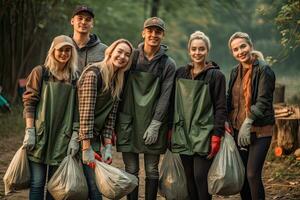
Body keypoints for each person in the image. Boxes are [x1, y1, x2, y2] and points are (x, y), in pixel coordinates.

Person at [116, 17, 176, 200]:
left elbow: (166, 96)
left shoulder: (168, 64)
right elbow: (117, 86)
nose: (153, 35)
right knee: (131, 169)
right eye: (150, 30)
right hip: (129, 120)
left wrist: (156, 122)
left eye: (158, 31)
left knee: (151, 168)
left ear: (163, 35)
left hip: (153, 122)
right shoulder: (130, 57)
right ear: (143, 33)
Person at [170, 31, 227, 200]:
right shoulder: (180, 73)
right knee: (188, 178)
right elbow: (174, 103)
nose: (197, 52)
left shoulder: (216, 75)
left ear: (207, 51)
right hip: (182, 132)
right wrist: (169, 130)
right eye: (194, 49)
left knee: (200, 177)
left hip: (205, 133)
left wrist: (217, 135)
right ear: (189, 51)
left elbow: (221, 107)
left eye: (201, 49)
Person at [22, 35, 79, 200]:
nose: (64, 53)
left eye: (68, 50)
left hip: (63, 136)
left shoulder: (75, 77)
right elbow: (29, 102)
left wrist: (75, 134)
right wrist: (30, 130)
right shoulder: (41, 72)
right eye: (60, 49)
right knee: (37, 183)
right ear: (53, 50)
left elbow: (78, 109)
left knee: (55, 185)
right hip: (41, 134)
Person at [78, 39, 133, 200]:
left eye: (127, 55)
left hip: (94, 139)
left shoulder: (117, 79)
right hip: (80, 138)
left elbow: (111, 115)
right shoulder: (93, 74)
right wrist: (86, 148)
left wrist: (108, 146)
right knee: (89, 188)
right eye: (120, 51)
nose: (122, 56)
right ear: (110, 51)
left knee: (92, 187)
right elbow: (86, 113)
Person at [227, 32, 276, 200]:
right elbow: (230, 99)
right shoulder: (235, 71)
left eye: (243, 46)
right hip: (237, 130)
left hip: (260, 129)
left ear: (251, 46)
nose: (240, 51)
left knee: (252, 174)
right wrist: (227, 122)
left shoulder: (264, 69)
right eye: (235, 49)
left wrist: (248, 122)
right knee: (243, 177)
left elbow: (263, 101)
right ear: (232, 53)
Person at [70, 5, 107, 73]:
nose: (83, 22)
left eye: (88, 19)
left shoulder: (104, 50)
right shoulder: (63, 46)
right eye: (80, 18)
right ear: (72, 21)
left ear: (92, 24)